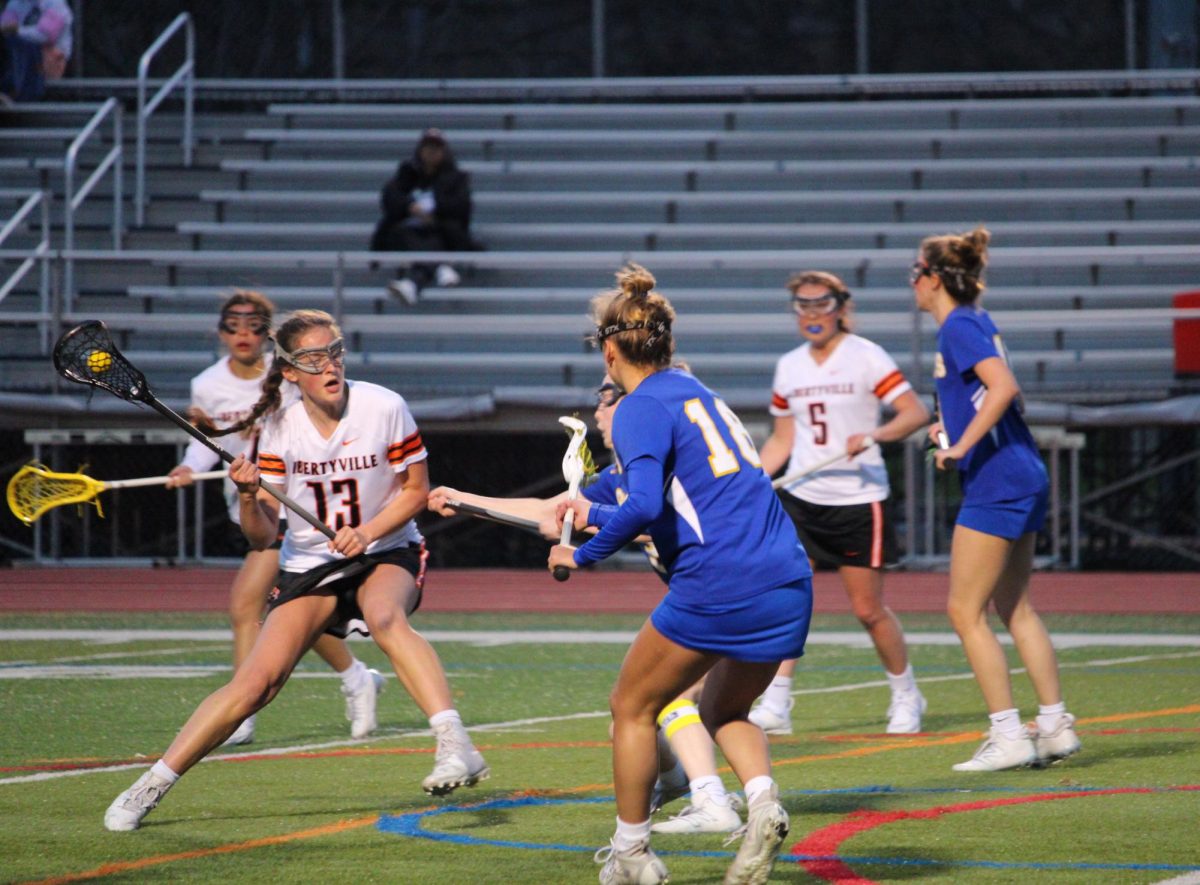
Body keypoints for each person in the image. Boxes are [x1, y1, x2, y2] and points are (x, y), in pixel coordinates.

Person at [104, 309, 488, 832]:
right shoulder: (279, 428)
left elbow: (416, 491)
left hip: (388, 548)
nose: (329, 366)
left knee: (385, 617)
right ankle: (152, 784)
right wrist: (245, 495)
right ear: (289, 372)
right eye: (312, 358)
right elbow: (262, 535)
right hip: (310, 562)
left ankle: (454, 745)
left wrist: (368, 532)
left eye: (335, 352)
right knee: (254, 685)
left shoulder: (383, 406)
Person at [547, 264, 812, 885]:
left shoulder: (638, 407)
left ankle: (632, 853)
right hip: (788, 576)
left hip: (721, 580)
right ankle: (764, 804)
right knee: (725, 708)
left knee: (631, 706)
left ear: (610, 350)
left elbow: (640, 506)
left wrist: (580, 557)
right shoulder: (702, 396)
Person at [427, 373, 743, 836]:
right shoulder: (618, 478)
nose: (598, 410)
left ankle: (712, 798)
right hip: (709, 600)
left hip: (725, 596)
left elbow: (648, 519)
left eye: (608, 398)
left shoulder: (671, 473)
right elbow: (546, 511)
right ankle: (720, 789)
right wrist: (467, 500)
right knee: (630, 726)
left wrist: (592, 529)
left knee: (669, 696)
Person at [166, 290, 383, 747]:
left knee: (246, 606)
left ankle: (240, 713)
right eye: (232, 325)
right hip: (247, 506)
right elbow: (203, 443)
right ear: (219, 332)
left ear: (268, 335)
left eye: (253, 325)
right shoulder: (207, 383)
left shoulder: (289, 375)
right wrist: (189, 468)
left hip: (292, 506)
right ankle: (357, 676)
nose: (242, 334)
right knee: (296, 612)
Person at [912, 226, 1081, 772]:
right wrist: (953, 427)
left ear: (934, 279)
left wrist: (961, 442)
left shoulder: (958, 326)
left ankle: (1008, 735)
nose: (913, 284)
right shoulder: (978, 320)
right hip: (1021, 471)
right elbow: (1002, 394)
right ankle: (1054, 726)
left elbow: (1004, 386)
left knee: (964, 611)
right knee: (1015, 607)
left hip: (999, 481)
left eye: (917, 273)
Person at [750, 271, 930, 736]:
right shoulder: (789, 366)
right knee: (787, 598)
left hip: (857, 498)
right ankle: (777, 701)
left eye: (821, 305)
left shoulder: (866, 356)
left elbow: (914, 412)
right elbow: (783, 438)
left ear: (840, 308)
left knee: (867, 610)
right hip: (804, 497)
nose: (812, 315)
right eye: (803, 306)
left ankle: (907, 694)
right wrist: (753, 480)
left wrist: (874, 434)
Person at [369, 127, 476, 306]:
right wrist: (411, 207)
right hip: (407, 232)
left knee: (436, 236)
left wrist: (434, 213)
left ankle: (413, 283)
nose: (432, 152)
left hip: (440, 232)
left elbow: (462, 206)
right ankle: (439, 267)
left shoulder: (455, 177)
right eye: (428, 147)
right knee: (404, 233)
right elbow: (390, 197)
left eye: (436, 148)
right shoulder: (406, 173)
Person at [0, 0, 71, 103]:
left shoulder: (56, 4)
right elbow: (4, 28)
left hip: (50, 58)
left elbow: (46, 35)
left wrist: (18, 30)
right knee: (11, 42)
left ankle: (11, 91)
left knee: (23, 44)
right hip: (18, 55)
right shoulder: (16, 3)